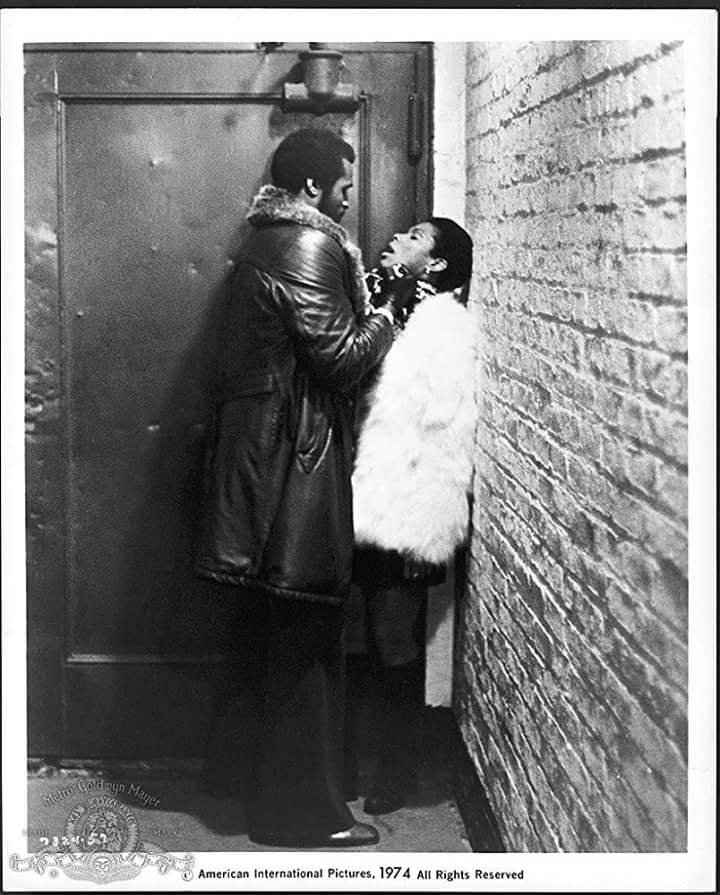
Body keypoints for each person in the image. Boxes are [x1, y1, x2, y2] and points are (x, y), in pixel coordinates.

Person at [195, 128, 415, 848]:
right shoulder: (307, 246)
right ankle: (299, 819)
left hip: (263, 461)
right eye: (345, 187)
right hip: (295, 466)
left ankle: (249, 789)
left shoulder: (261, 240)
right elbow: (342, 361)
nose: (353, 201)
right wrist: (389, 312)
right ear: (315, 189)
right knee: (303, 643)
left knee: (272, 638)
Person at [347, 218, 476, 815]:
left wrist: (420, 529)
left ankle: (396, 772)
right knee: (356, 638)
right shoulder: (388, 305)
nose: (400, 235)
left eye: (417, 235)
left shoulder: (442, 330)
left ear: (440, 263)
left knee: (392, 642)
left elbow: (445, 434)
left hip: (400, 510)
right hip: (363, 496)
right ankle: (351, 764)